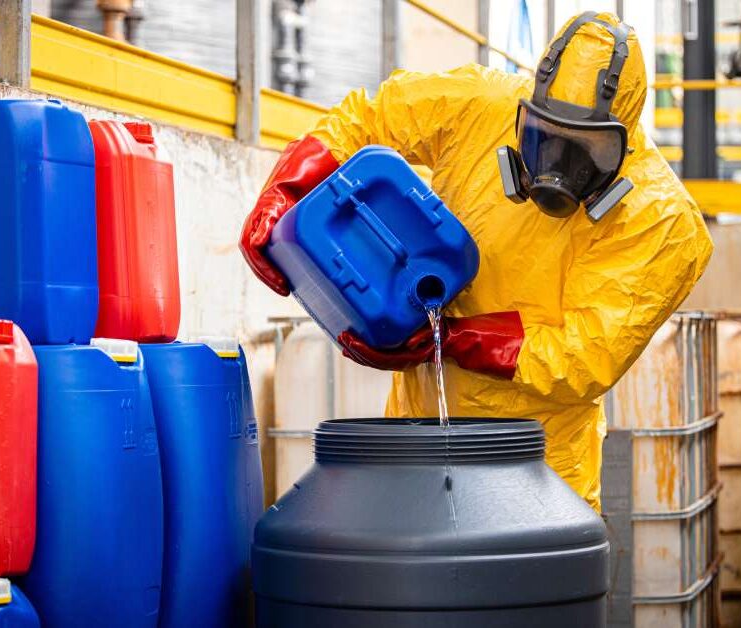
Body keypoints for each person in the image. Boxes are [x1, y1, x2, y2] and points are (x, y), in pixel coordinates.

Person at [240, 11, 713, 511]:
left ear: (624, 145)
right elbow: (371, 116)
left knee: (523, 586)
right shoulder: (481, 107)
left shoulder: (662, 221)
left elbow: (582, 356)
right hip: (418, 440)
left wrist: (447, 339)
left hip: (538, 472)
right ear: (527, 108)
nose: (555, 166)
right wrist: (287, 188)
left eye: (585, 151)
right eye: (542, 135)